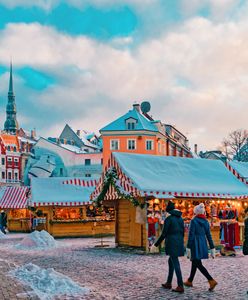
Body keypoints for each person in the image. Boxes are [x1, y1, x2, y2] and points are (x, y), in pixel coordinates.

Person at [151, 200, 185, 293]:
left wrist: (156, 244)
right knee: (171, 261)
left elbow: (164, 233)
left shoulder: (169, 219)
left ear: (168, 211)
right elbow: (183, 232)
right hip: (179, 242)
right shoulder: (180, 218)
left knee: (175, 263)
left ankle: (180, 285)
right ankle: (169, 282)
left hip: (172, 243)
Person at [184, 203, 217, 291]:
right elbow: (208, 235)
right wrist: (212, 247)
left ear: (196, 212)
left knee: (197, 263)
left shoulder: (194, 221)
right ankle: (190, 280)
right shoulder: (206, 221)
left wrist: (188, 247)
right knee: (195, 261)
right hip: (202, 242)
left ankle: (211, 280)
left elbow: (191, 235)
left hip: (195, 243)